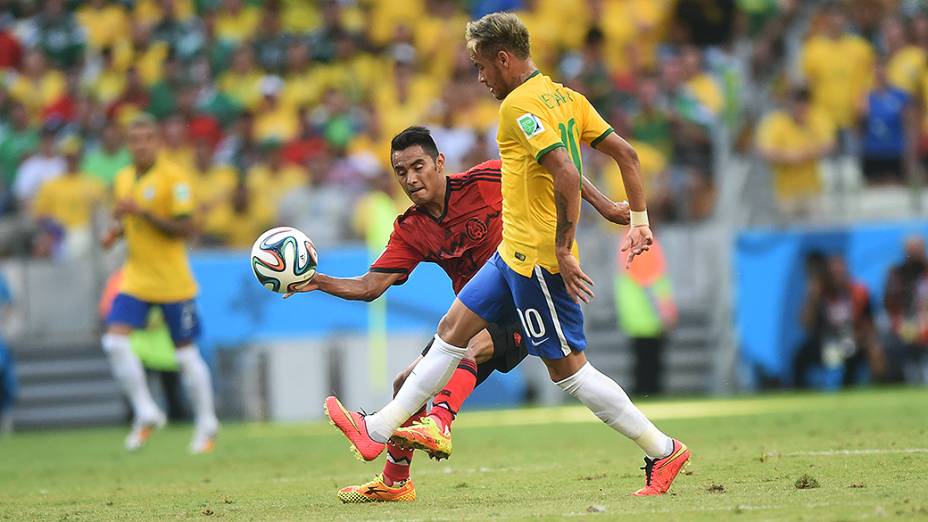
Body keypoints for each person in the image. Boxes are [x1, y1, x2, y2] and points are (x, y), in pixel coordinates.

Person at [324, 13, 689, 497]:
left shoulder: (518, 106)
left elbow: (561, 170)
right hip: (510, 255)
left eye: (481, 66)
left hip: (538, 261)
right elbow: (626, 154)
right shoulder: (567, 98)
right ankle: (377, 432)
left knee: (570, 375)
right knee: (450, 333)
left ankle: (665, 451)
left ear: (503, 59)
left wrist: (563, 246)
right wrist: (633, 217)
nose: (480, 77)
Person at [288, 126, 629, 502]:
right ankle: (394, 482)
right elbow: (370, 286)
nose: (411, 179)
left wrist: (608, 206)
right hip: (472, 317)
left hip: (522, 301)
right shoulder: (411, 229)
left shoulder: (485, 180)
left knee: (476, 351)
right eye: (401, 172)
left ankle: (440, 423)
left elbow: (560, 169)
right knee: (407, 382)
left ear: (439, 162)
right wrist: (318, 281)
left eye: (418, 166)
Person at [99, 114, 218, 453]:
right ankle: (146, 410)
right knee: (113, 342)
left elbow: (187, 229)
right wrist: (113, 233)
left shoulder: (174, 178)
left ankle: (207, 421)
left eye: (147, 138)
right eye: (135, 140)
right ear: (128, 144)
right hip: (136, 277)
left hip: (172, 282)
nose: (141, 145)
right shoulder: (123, 178)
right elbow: (125, 220)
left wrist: (143, 212)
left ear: (158, 141)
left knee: (185, 355)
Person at [792, 254, 879, 388]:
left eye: (841, 272)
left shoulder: (858, 293)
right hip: (826, 342)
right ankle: (799, 391)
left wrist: (858, 337)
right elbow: (805, 325)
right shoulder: (820, 295)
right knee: (800, 355)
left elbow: (870, 325)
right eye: (833, 272)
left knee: (873, 349)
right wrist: (812, 298)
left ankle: (880, 386)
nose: (838, 276)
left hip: (852, 341)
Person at [883, 235, 928, 383]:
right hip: (904, 322)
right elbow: (889, 305)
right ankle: (908, 374)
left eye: (917, 251)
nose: (913, 256)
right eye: (910, 252)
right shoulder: (896, 274)